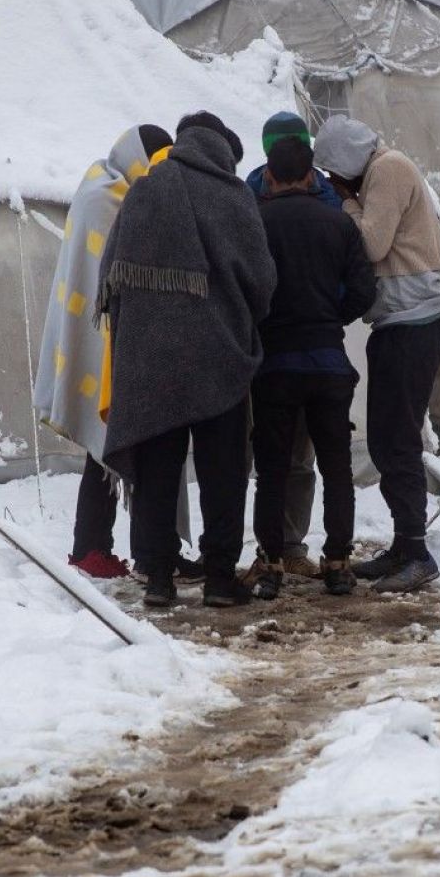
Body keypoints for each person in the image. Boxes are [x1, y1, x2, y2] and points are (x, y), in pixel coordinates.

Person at [99, 111, 275, 609]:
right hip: (218, 357)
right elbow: (261, 281)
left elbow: (110, 278)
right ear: (221, 149)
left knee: (158, 473)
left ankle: (158, 578)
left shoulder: (144, 191)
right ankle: (220, 579)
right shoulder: (233, 196)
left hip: (148, 362)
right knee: (223, 473)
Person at [31, 124, 203, 583]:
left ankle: (124, 549)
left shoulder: (102, 186)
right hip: (105, 344)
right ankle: (100, 548)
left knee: (122, 449)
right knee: (116, 446)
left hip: (115, 343)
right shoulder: (106, 201)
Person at [313, 115, 440, 593]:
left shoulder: (388, 170)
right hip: (398, 323)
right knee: (387, 439)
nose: (333, 183)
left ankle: (416, 551)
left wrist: (347, 204)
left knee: (398, 441)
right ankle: (402, 544)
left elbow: (371, 244)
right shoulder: (380, 171)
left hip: (413, 324)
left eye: (333, 173)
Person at [250, 136, 377, 600]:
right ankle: (339, 563)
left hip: (275, 363)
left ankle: (270, 566)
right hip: (328, 359)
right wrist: (329, 316)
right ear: (311, 178)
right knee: (336, 466)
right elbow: (364, 292)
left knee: (273, 469)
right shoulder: (338, 224)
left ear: (268, 175)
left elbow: (246, 288)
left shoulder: (255, 223)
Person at [242, 111, 338, 582]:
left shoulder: (326, 196)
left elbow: (344, 265)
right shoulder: (246, 193)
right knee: (267, 455)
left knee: (299, 457)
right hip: (263, 345)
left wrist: (325, 311)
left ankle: (290, 546)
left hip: (303, 344)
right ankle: (268, 549)